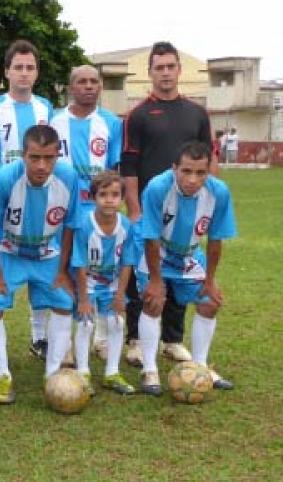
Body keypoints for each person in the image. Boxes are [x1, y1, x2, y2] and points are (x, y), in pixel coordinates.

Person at [121, 41, 216, 369]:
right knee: (141, 274)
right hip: (150, 212)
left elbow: (209, 159)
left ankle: (172, 340)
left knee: (183, 273)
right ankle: (135, 338)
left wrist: (210, 203)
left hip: (189, 212)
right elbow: (129, 166)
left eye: (170, 66)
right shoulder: (138, 114)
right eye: (158, 67)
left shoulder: (196, 113)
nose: (165, 72)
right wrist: (134, 210)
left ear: (179, 70)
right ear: (150, 73)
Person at [0, 124, 80, 401]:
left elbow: (71, 226)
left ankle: (52, 374)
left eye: (49, 158)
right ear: (23, 154)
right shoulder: (3, 178)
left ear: (58, 156)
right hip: (8, 252)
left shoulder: (69, 178)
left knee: (63, 303)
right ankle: (3, 375)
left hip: (47, 253)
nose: (42, 165)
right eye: (35, 157)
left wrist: (62, 271)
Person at [0, 39, 55, 362]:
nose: (24, 73)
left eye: (30, 68)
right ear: (7, 70)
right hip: (2, 204)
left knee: (42, 270)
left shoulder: (46, 108)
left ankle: (39, 338)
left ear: (36, 73)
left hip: (38, 201)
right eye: (18, 67)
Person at [135, 141, 235, 395]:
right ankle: (149, 370)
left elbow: (215, 241)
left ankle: (200, 367)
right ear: (174, 168)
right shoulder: (158, 187)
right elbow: (150, 238)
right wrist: (156, 281)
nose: (193, 179)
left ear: (208, 171)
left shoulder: (219, 192)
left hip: (189, 253)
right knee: (153, 301)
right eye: (186, 171)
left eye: (200, 172)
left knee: (209, 303)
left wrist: (209, 281)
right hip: (156, 250)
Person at [50, 64, 122, 362]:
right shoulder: (55, 121)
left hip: (99, 214)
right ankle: (63, 343)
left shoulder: (111, 123)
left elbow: (113, 171)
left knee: (103, 275)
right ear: (71, 87)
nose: (89, 86)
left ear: (100, 87)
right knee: (63, 273)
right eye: (82, 81)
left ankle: (102, 339)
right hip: (63, 212)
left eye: (94, 81)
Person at [71, 171, 136, 395]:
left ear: (122, 198)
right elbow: (78, 264)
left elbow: (127, 263)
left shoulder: (127, 226)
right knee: (86, 322)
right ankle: (83, 372)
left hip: (112, 282)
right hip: (87, 281)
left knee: (117, 322)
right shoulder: (84, 225)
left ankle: (112, 373)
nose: (109, 200)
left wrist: (120, 296)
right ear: (92, 197)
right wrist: (83, 299)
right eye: (103, 194)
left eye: (115, 195)